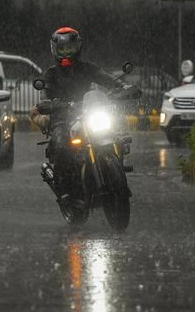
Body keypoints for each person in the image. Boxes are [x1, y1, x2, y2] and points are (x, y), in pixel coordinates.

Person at [30, 26, 134, 198]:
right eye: (61, 49)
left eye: (69, 48)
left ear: (78, 47)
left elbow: (105, 78)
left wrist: (122, 87)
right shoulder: (51, 73)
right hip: (63, 117)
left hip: (87, 112)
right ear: (54, 49)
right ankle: (64, 186)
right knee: (63, 142)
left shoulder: (88, 68)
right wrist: (47, 103)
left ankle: (116, 174)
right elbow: (44, 94)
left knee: (116, 135)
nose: (65, 52)